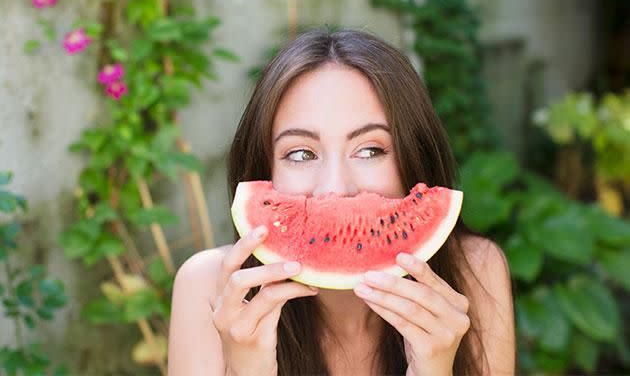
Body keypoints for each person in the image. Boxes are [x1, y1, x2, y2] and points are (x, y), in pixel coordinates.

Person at [167, 28, 515, 376]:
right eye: (301, 154)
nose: (335, 189)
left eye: (370, 150)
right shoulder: (205, 289)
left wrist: (435, 370)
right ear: (263, 169)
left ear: (415, 156)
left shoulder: (475, 272)